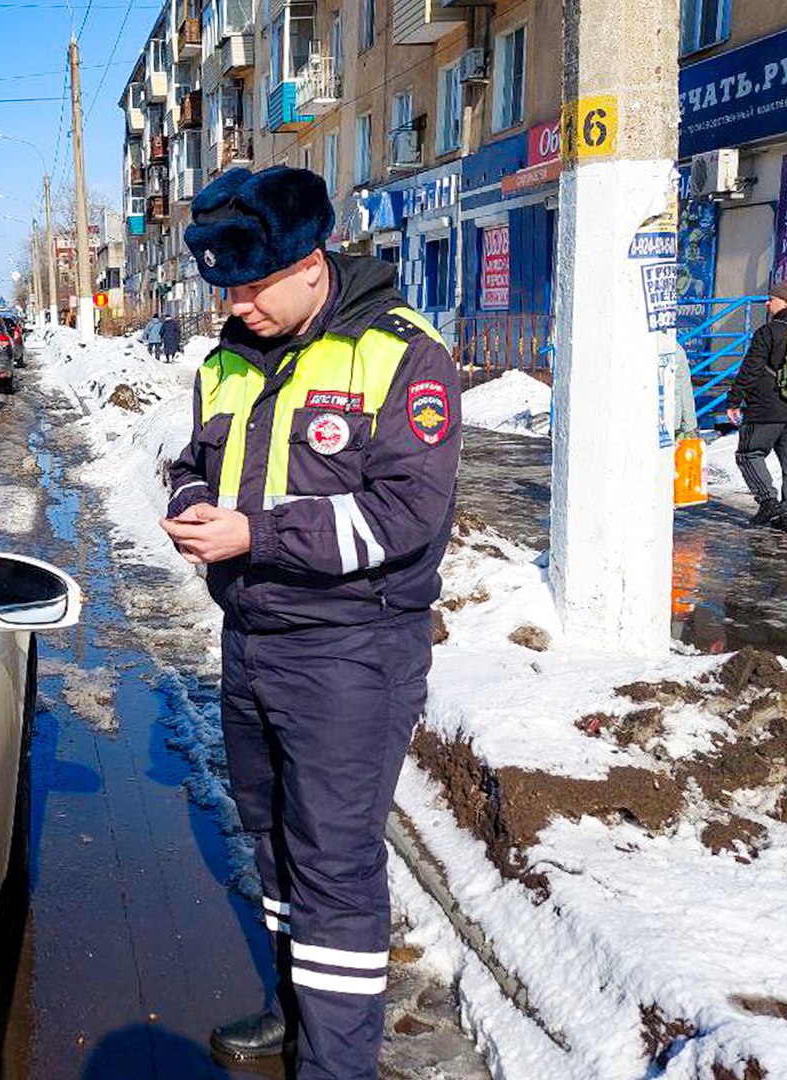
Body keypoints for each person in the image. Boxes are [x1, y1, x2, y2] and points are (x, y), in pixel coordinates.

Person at [158, 165, 460, 1080]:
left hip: (350, 653)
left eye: (253, 286)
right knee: (274, 842)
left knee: (334, 867)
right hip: (249, 643)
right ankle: (295, 1013)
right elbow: (191, 459)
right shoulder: (227, 360)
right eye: (226, 288)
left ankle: (338, 1066)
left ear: (311, 262)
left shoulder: (402, 354)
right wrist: (190, 502)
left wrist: (255, 532)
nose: (236, 305)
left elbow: (408, 516)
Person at [727, 277, 787, 533]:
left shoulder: (769, 331)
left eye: (771, 298)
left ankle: (768, 501)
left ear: (785, 301)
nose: (767, 303)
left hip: (766, 408)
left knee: (749, 453)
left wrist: (735, 399)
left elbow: (750, 369)